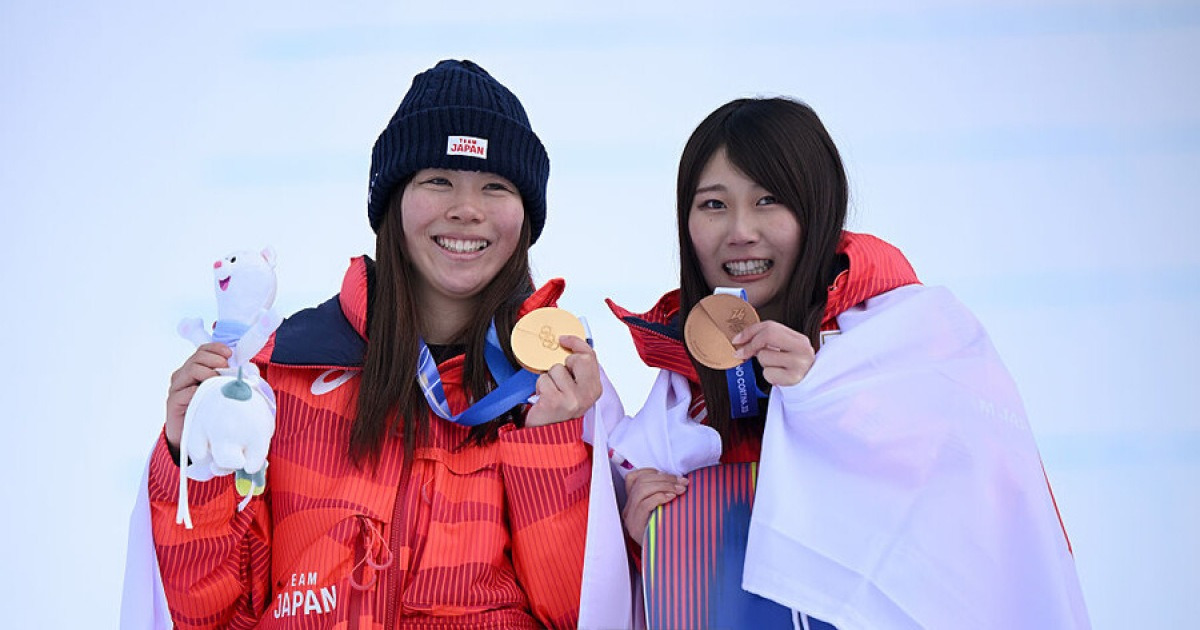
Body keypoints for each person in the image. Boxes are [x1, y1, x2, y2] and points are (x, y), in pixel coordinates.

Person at [583, 97, 1090, 629]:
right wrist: (643, 541)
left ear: (818, 209)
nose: (739, 230)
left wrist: (825, 396)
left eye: (769, 200)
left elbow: (972, 527)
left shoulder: (916, 336)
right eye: (713, 204)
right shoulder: (680, 397)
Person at [130, 59, 600, 629]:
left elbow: (582, 615)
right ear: (392, 203)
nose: (467, 208)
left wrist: (548, 444)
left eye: (495, 186)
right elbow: (207, 615)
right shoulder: (283, 373)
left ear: (526, 215)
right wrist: (193, 462)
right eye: (438, 180)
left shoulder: (560, 384)